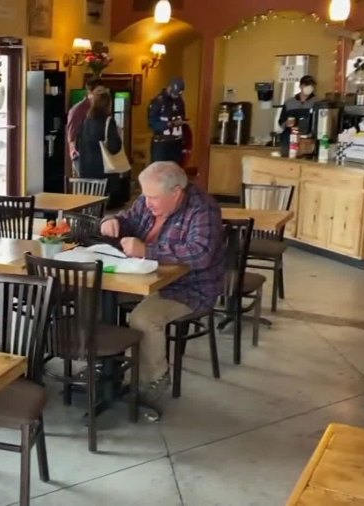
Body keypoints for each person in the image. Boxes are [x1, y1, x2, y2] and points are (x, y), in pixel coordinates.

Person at [99, 162, 224, 401]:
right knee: (97, 298)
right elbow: (128, 219)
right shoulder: (148, 202)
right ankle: (106, 366)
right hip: (145, 279)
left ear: (176, 192)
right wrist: (110, 221)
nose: (147, 203)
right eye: (145, 196)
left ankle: (154, 379)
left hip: (189, 288)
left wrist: (147, 250)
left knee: (144, 319)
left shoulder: (202, 209)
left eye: (153, 198)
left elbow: (200, 253)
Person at [75, 89, 122, 178]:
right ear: (108, 104)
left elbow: (77, 146)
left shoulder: (85, 121)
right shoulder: (108, 122)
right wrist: (118, 136)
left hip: (86, 171)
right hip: (105, 171)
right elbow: (114, 148)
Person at [67, 79, 106, 176]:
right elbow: (72, 136)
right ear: (90, 92)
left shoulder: (101, 108)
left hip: (98, 156)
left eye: (103, 91)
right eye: (99, 91)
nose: (101, 95)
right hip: (82, 155)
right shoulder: (78, 110)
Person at [148, 77, 186, 165]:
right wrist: (169, 124)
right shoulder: (158, 101)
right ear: (169, 88)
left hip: (176, 143)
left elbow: (182, 116)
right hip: (162, 143)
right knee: (160, 173)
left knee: (175, 172)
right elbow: (152, 123)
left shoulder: (180, 101)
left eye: (178, 94)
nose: (176, 96)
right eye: (175, 94)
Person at [278, 75, 317, 154]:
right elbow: (281, 121)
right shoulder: (289, 103)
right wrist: (286, 123)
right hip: (289, 138)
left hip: (309, 139)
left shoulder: (317, 102)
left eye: (311, 85)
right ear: (301, 86)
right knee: (286, 159)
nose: (309, 87)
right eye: (306, 85)